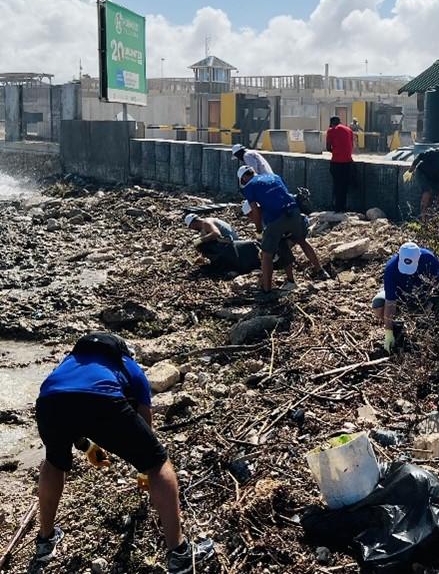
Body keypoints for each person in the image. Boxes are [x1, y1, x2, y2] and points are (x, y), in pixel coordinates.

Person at [33, 332, 214, 572]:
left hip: (48, 402)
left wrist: (87, 446)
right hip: (102, 400)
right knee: (159, 463)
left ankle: (45, 540)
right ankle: (179, 553)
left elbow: (71, 407)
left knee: (54, 462)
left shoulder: (68, 362)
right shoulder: (128, 365)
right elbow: (145, 426)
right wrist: (145, 469)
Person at [237, 165, 328, 292]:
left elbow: (255, 211)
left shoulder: (250, 187)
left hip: (277, 219)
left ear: (243, 180)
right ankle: (320, 271)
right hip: (294, 212)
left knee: (266, 254)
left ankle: (267, 290)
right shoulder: (274, 176)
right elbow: (284, 194)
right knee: (300, 241)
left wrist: (258, 231)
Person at [371, 242, 439, 352]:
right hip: (401, 298)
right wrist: (388, 331)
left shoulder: (428, 258)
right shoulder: (391, 268)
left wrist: (433, 299)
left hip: (424, 297)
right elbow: (390, 301)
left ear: (419, 257)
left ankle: (434, 329)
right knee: (378, 304)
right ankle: (397, 328)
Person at [326, 116, 355, 213]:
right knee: (344, 186)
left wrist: (336, 151)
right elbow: (351, 145)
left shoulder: (331, 130)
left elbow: (328, 147)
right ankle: (343, 207)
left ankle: (337, 207)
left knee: (337, 185)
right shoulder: (349, 130)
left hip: (336, 162)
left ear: (332, 123)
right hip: (348, 163)